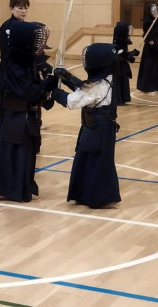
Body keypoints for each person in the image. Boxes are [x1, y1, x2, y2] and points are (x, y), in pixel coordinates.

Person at [0, 20, 57, 202]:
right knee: (16, 155)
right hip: (17, 118)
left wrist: (48, 87)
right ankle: (12, 189)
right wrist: (47, 84)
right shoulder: (15, 66)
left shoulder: (27, 63)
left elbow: (36, 90)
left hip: (27, 117)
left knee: (26, 156)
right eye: (36, 41)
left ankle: (22, 187)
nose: (39, 45)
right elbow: (27, 91)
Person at [52, 43, 121, 209]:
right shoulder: (107, 79)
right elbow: (83, 88)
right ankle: (85, 194)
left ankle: (99, 198)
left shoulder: (98, 87)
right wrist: (66, 77)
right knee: (87, 160)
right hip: (98, 128)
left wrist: (54, 92)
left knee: (96, 163)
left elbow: (72, 101)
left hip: (97, 129)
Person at [0, 0, 30, 157]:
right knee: (2, 107)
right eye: (19, 8)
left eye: (25, 8)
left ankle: (18, 142)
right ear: (11, 9)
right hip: (8, 73)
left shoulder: (26, 27)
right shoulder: (7, 27)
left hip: (22, 73)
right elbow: (9, 54)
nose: (23, 11)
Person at [136, 3, 158, 95]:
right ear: (149, 12)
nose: (155, 12)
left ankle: (155, 87)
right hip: (150, 48)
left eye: (156, 10)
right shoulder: (147, 21)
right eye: (153, 11)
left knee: (156, 67)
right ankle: (147, 88)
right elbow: (146, 34)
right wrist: (152, 43)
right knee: (149, 67)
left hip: (157, 46)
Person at [112, 22, 139, 105]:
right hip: (119, 65)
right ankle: (118, 99)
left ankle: (123, 98)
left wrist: (132, 56)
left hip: (122, 64)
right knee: (119, 81)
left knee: (123, 81)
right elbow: (123, 54)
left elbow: (126, 54)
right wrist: (133, 53)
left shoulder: (123, 40)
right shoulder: (118, 42)